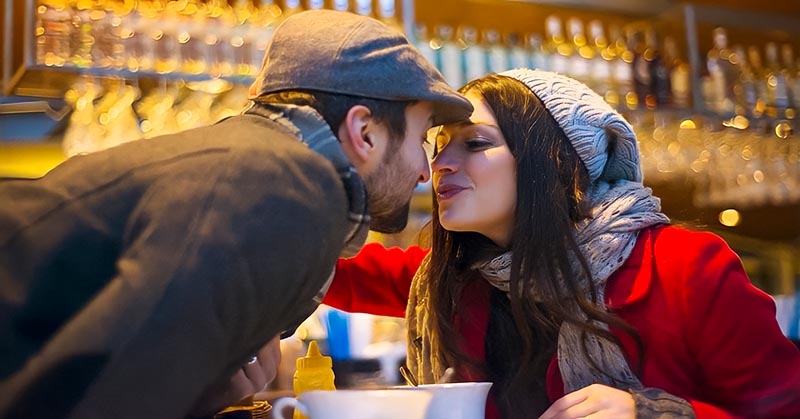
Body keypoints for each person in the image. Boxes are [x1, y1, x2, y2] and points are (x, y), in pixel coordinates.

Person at [0, 10, 472, 419]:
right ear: (364, 132)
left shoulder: (255, 168)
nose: (424, 173)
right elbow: (99, 396)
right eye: (422, 137)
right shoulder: (281, 187)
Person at [324, 69, 800, 418]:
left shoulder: (686, 268)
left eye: (474, 143)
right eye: (438, 142)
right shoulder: (453, 280)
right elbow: (310, 265)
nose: (438, 164)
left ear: (552, 161)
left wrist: (655, 414)